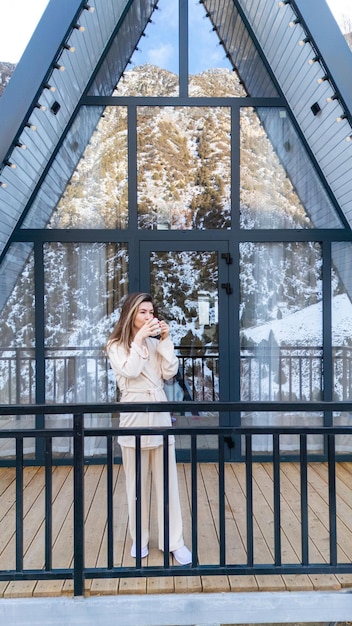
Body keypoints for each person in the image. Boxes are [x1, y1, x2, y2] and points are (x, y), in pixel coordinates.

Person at [106, 292, 192, 565]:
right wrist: (140, 339)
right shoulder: (115, 345)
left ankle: (174, 541)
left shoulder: (155, 344)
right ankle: (139, 539)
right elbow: (130, 371)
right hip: (133, 417)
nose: (148, 316)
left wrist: (165, 340)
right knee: (136, 486)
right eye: (143, 311)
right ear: (131, 314)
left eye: (151, 312)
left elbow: (169, 372)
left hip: (159, 415)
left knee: (168, 484)